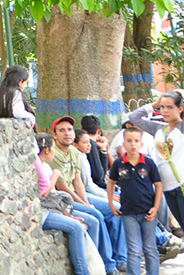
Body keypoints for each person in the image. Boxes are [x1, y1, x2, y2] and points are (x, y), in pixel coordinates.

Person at [125, 90, 184, 275]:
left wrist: (178, 92)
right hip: (169, 189)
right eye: (162, 107)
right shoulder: (159, 128)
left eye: (169, 107)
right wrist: (154, 104)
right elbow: (133, 116)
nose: (164, 111)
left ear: (180, 109)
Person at [52, 115, 125, 275]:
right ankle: (107, 266)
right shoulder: (54, 153)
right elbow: (63, 187)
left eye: (70, 129)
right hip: (64, 200)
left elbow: (78, 181)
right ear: (55, 135)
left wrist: (86, 202)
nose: (67, 133)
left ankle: (120, 259)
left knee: (115, 211)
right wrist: (85, 205)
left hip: (79, 195)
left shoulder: (73, 150)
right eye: (62, 130)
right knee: (96, 216)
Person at [37, 132, 103, 275]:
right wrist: (56, 174)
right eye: (53, 147)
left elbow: (54, 198)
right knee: (76, 227)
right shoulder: (39, 168)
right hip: (43, 212)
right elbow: (45, 193)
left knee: (92, 221)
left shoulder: (47, 167)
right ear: (47, 150)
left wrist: (67, 213)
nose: (54, 150)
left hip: (55, 208)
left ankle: (93, 264)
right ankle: (82, 271)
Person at [108, 127, 163, 275]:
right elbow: (111, 182)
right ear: (123, 143)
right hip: (128, 213)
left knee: (150, 248)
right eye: (129, 141)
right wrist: (111, 203)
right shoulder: (119, 164)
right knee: (133, 250)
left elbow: (158, 184)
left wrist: (156, 207)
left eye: (136, 141)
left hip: (148, 212)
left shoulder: (149, 163)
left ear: (141, 144)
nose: (133, 144)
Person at [80, 115, 110, 191]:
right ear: (99, 131)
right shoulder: (91, 144)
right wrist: (103, 151)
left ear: (82, 129)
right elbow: (99, 176)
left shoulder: (90, 144)